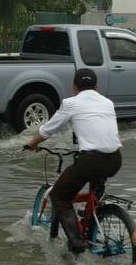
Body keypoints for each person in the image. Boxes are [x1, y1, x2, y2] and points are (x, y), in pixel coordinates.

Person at [26, 68, 122, 254]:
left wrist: (31, 144)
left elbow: (47, 130)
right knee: (94, 193)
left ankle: (77, 245)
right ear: (97, 87)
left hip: (91, 160)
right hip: (115, 159)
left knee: (59, 196)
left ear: (74, 88)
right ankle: (93, 221)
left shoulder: (71, 103)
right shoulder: (108, 103)